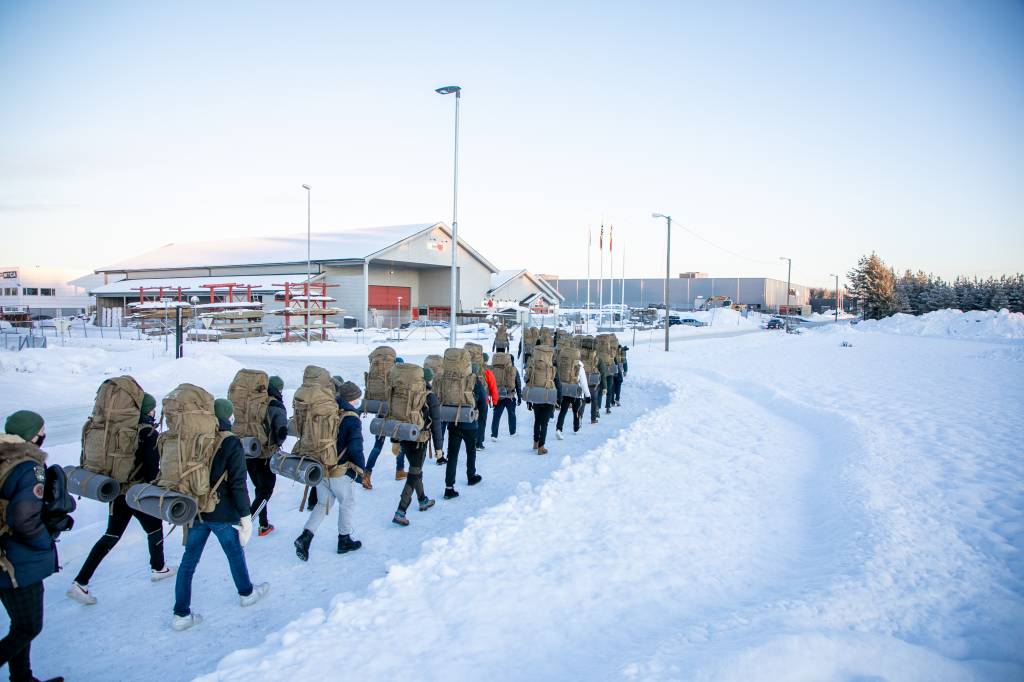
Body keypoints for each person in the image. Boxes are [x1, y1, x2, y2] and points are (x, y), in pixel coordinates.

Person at [68, 393, 174, 605]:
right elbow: (153, 470)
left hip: (117, 492)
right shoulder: (148, 434)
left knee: (111, 535)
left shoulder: (119, 431)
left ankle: (81, 581)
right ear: (148, 412)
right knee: (154, 529)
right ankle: (158, 567)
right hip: (139, 494)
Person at [172, 398, 268, 631]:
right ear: (228, 416)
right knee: (234, 553)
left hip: (196, 509)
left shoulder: (196, 439)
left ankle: (181, 614)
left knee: (188, 562)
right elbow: (238, 483)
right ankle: (246, 593)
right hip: (221, 511)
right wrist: (245, 516)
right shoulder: (231, 442)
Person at [1, 411, 64, 682]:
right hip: (17, 560)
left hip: (6, 553)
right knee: (28, 627)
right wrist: (44, 542)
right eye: (41, 430)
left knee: (20, 624)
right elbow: (25, 518)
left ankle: (23, 678)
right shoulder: (28, 467)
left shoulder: (5, 456)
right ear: (33, 435)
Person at [294, 382, 365, 561]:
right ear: (352, 398)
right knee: (347, 503)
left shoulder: (327, 412)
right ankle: (344, 540)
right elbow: (356, 448)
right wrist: (361, 470)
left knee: (322, 504)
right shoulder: (351, 418)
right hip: (339, 471)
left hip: (321, 467)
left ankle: (306, 536)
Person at [392, 368, 444, 526]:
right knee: (414, 473)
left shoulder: (407, 394)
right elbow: (436, 424)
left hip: (404, 436)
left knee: (416, 469)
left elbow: (395, 415)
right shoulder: (430, 397)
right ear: (429, 380)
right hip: (420, 440)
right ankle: (400, 511)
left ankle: (423, 500)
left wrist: (395, 440)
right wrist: (439, 448)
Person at [246, 376, 288, 537]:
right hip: (265, 454)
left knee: (259, 489)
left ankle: (264, 525)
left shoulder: (253, 402)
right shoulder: (276, 405)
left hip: (249, 451)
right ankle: (245, 524)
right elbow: (281, 432)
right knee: (266, 490)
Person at [443, 365, 486, 499]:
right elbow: (482, 402)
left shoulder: (452, 379)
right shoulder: (474, 381)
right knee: (471, 451)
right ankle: (471, 476)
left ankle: (449, 488)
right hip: (470, 423)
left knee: (452, 455)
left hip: (454, 423)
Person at [490, 356, 521, 442]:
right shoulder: (514, 370)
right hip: (509, 396)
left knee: (496, 415)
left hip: (498, 395)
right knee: (511, 414)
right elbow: (518, 383)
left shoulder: (497, 369)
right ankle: (512, 432)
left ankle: (494, 434)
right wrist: (519, 397)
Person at [555, 359, 588, 439]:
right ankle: (576, 428)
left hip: (565, 389)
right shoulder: (580, 367)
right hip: (575, 391)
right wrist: (587, 395)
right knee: (575, 411)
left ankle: (559, 429)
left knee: (563, 411)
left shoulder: (564, 363)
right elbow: (583, 382)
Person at [475, 354, 498, 450]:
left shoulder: (468, 370)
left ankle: (471, 441)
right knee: (481, 421)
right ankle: (479, 443)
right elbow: (493, 387)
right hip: (483, 400)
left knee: (472, 420)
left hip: (469, 399)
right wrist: (495, 401)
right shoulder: (487, 372)